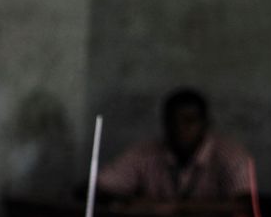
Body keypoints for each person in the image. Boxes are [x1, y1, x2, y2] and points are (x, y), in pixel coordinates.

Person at [95, 88, 254, 207]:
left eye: (189, 121)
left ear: (206, 124)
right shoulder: (146, 153)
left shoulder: (230, 155)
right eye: (173, 121)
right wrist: (136, 204)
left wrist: (176, 208)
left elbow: (243, 205)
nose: (180, 128)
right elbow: (96, 189)